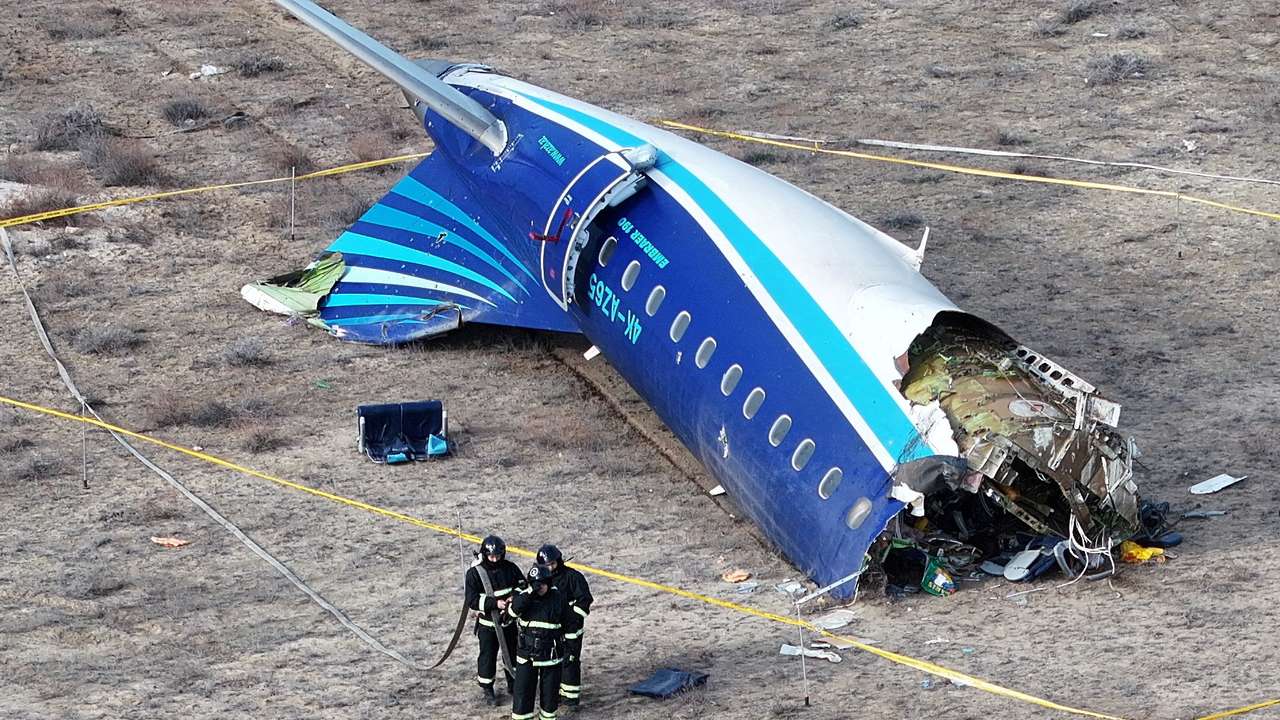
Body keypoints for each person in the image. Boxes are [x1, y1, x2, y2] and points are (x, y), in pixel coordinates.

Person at [507, 564, 575, 720]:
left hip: (551, 655)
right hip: (527, 656)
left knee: (550, 696)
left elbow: (569, 625)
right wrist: (530, 592)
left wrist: (571, 651)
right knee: (522, 694)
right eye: (536, 584)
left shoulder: (558, 598)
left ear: (549, 583)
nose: (540, 588)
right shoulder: (524, 597)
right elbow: (511, 612)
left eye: (542, 584)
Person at [464, 535, 524, 706]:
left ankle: (513, 683)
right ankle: (487, 688)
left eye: (498, 556)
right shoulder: (475, 574)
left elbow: (522, 585)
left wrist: (514, 597)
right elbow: (472, 600)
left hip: (508, 622)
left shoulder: (511, 568)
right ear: (485, 554)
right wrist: (494, 603)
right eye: (491, 556)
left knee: (512, 655)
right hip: (488, 626)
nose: (495, 559)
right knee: (487, 657)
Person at [537, 544, 593, 707]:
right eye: (546, 565)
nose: (550, 567)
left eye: (553, 564)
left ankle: (571, 697)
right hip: (552, 630)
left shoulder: (573, 577)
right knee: (554, 662)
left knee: (570, 660)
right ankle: (558, 693)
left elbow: (584, 600)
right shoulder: (541, 580)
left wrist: (571, 619)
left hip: (571, 631)